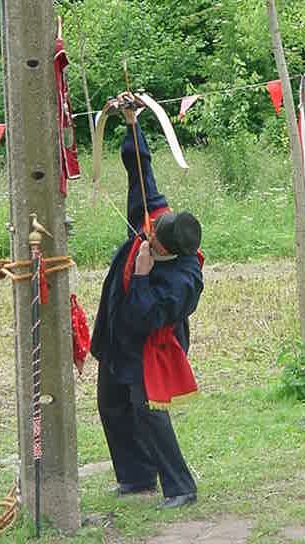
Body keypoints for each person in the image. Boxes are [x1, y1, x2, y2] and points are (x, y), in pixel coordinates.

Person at [90, 93, 204, 509]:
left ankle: (181, 487)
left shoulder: (185, 280)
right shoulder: (156, 218)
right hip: (118, 333)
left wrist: (140, 274)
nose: (146, 237)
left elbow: (147, 316)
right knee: (112, 404)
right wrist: (132, 123)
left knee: (148, 412)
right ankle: (137, 478)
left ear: (173, 250)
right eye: (151, 232)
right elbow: (142, 174)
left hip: (151, 346)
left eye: (153, 241)